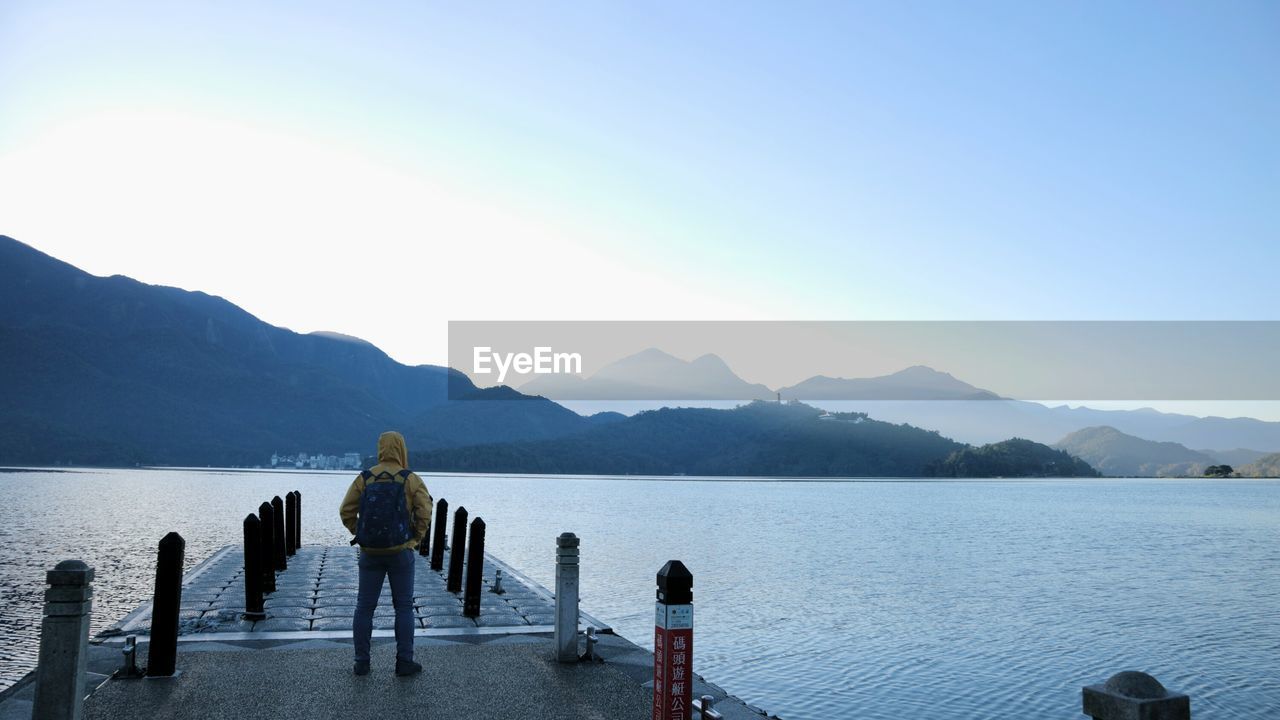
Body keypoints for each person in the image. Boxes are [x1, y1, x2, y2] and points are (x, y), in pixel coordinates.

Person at [340, 430, 433, 676]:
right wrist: (416, 537)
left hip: (369, 552)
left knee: (364, 607)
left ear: (381, 448)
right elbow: (424, 511)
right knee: (403, 607)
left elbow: (345, 510)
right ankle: (404, 662)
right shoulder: (410, 479)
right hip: (401, 551)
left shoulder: (365, 477)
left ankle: (362, 662)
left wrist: (359, 533)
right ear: (402, 449)